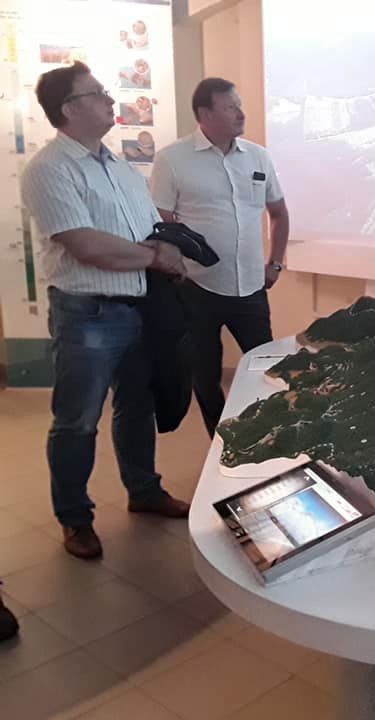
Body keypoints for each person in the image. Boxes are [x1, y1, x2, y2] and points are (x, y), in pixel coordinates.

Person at [19, 62, 192, 561]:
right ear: (69, 109)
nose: (111, 100)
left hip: (138, 309)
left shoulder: (117, 165)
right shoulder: (50, 168)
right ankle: (75, 518)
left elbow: (147, 229)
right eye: (97, 94)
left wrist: (168, 246)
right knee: (77, 421)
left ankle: (144, 491)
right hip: (87, 315)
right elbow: (85, 244)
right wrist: (156, 258)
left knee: (137, 407)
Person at [151, 77, 289, 437]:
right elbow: (160, 224)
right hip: (197, 288)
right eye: (230, 107)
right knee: (205, 375)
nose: (241, 114)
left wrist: (275, 263)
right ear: (205, 114)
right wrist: (177, 266)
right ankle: (220, 440)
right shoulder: (172, 159)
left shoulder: (258, 156)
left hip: (251, 287)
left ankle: (269, 435)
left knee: (266, 367)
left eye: (239, 105)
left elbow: (278, 213)